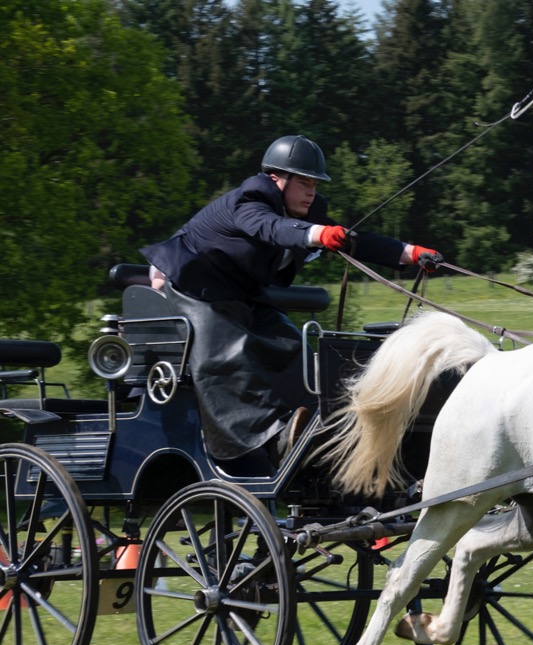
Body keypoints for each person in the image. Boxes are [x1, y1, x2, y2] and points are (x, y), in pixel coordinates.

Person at [140, 134, 444, 467]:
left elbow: (357, 241)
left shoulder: (305, 212)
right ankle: (271, 438)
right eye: (303, 182)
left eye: (315, 183)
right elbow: (273, 228)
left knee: (294, 348)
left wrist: (410, 253)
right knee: (228, 355)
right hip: (193, 288)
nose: (311, 190)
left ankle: (311, 429)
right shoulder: (249, 200)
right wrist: (316, 235)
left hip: (241, 295)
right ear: (276, 179)